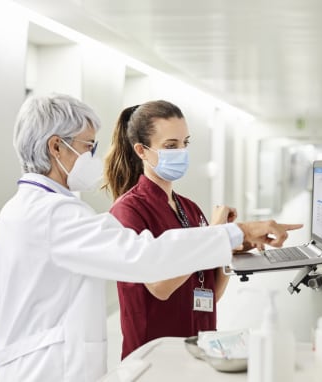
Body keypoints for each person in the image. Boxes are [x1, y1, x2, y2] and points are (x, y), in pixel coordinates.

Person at [0, 93, 302, 382]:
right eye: (88, 145)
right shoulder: (56, 215)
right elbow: (146, 259)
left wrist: (19, 339)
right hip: (49, 370)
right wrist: (234, 233)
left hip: (29, 365)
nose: (93, 155)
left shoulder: (17, 210)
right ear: (56, 146)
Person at [103, 100, 248, 359]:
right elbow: (160, 287)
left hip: (199, 344)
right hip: (155, 354)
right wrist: (213, 235)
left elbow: (211, 293)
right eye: (171, 146)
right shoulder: (128, 212)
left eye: (185, 143)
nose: (181, 151)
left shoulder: (190, 209)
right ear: (142, 151)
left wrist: (228, 249)